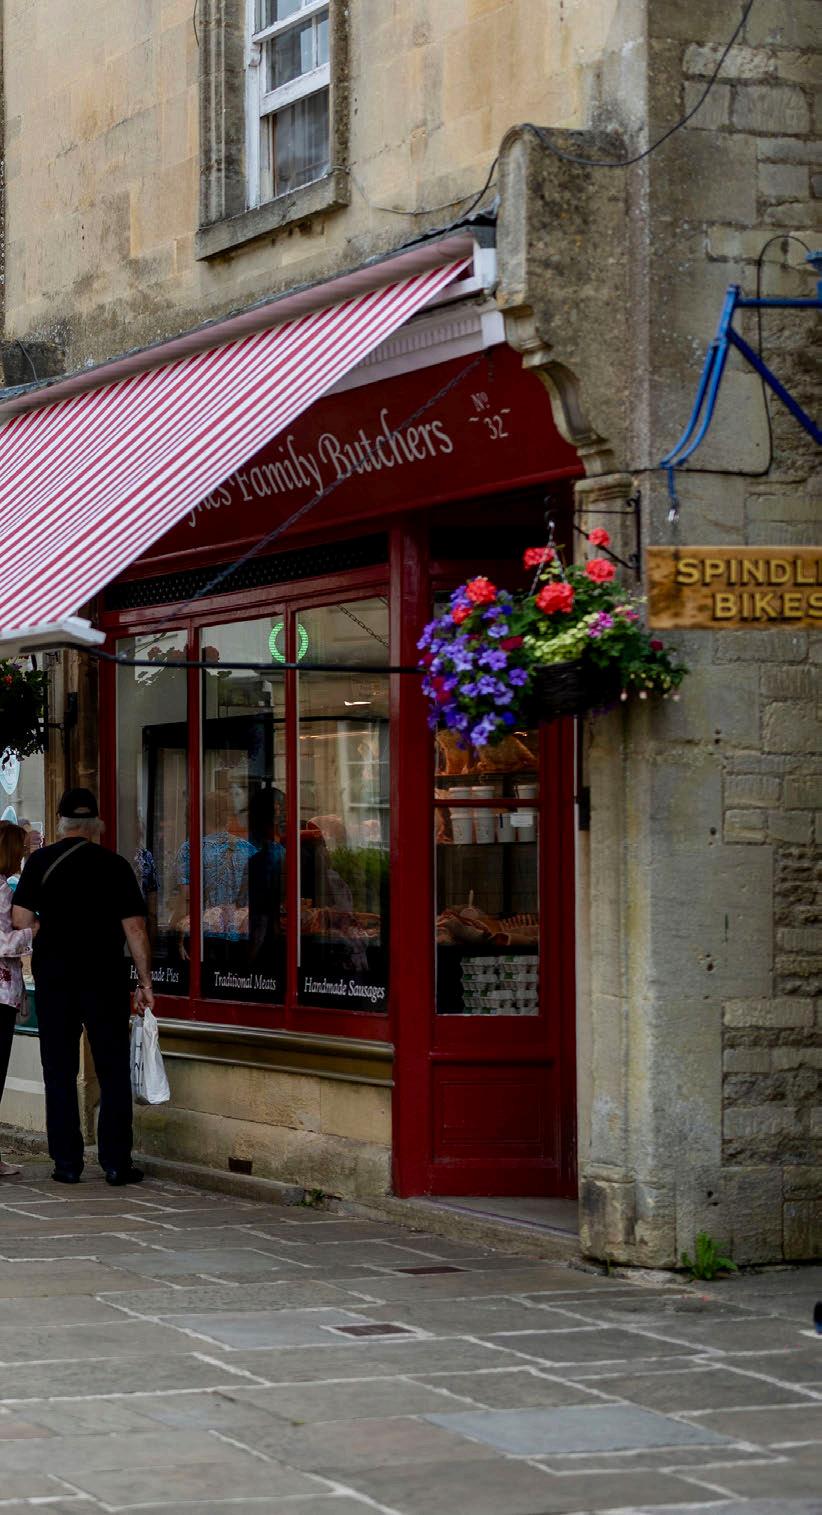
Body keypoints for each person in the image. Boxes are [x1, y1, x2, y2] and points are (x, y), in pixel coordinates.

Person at [11, 788, 154, 1186]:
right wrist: (145, 981)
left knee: (58, 1069)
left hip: (55, 979)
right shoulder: (115, 865)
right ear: (96, 825)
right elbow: (135, 929)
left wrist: (48, 927)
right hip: (104, 978)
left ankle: (67, 1163)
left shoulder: (40, 861)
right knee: (112, 1068)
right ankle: (116, 1163)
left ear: (61, 823)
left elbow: (20, 919)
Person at [0, 820, 35, 1178]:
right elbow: (2, 942)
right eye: (21, 849)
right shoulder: (1, 889)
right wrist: (31, 932)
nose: (23, 854)